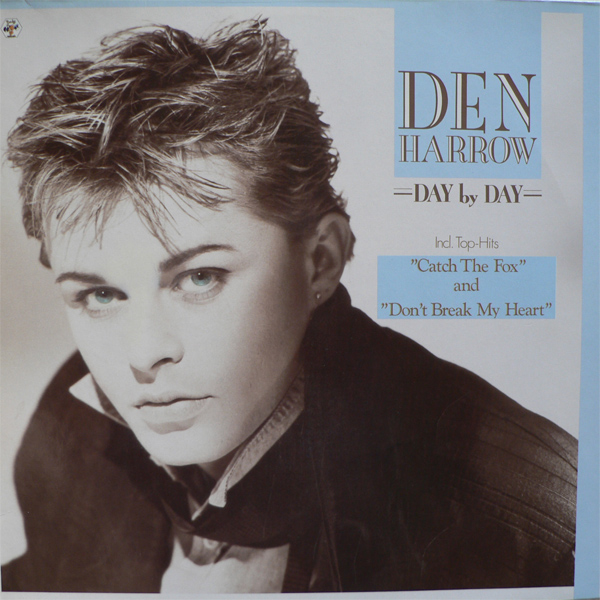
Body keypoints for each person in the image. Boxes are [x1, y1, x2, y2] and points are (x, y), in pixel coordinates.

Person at [2, 19, 577, 593]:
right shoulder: (70, 427)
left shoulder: (532, 528)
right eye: (100, 295)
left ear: (320, 261)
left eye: (200, 277)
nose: (144, 354)